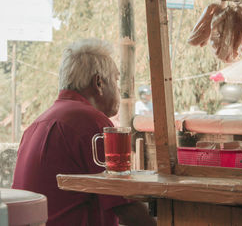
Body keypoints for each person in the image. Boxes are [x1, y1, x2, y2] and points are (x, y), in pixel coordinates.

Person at [12, 39, 156, 226]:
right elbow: (125, 207)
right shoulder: (91, 122)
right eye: (116, 80)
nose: (118, 89)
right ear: (99, 83)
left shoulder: (37, 124)